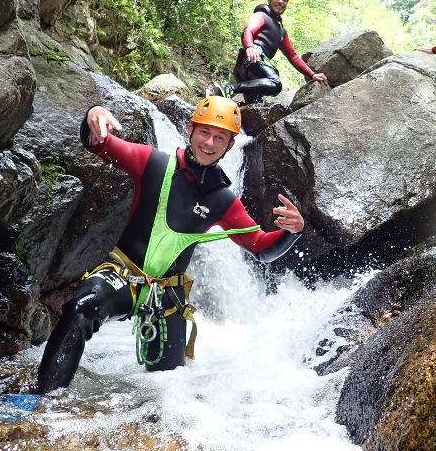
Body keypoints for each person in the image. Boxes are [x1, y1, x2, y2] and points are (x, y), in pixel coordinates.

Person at [36, 96, 306, 392]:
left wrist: (293, 231)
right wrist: (93, 114)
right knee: (80, 308)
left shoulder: (223, 201)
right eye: (204, 132)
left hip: (167, 295)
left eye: (220, 137)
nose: (210, 143)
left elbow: (260, 248)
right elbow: (100, 144)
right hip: (121, 276)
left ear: (230, 145)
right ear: (190, 130)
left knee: (167, 386)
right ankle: (41, 404)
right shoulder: (153, 163)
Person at [212, 0, 328, 104]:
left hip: (253, 73)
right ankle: (228, 89)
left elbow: (293, 56)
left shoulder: (281, 32)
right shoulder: (261, 15)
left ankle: (219, 99)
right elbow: (248, 30)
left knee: (254, 106)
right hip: (251, 59)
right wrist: (250, 47)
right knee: (275, 83)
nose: (281, 1)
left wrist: (312, 75)